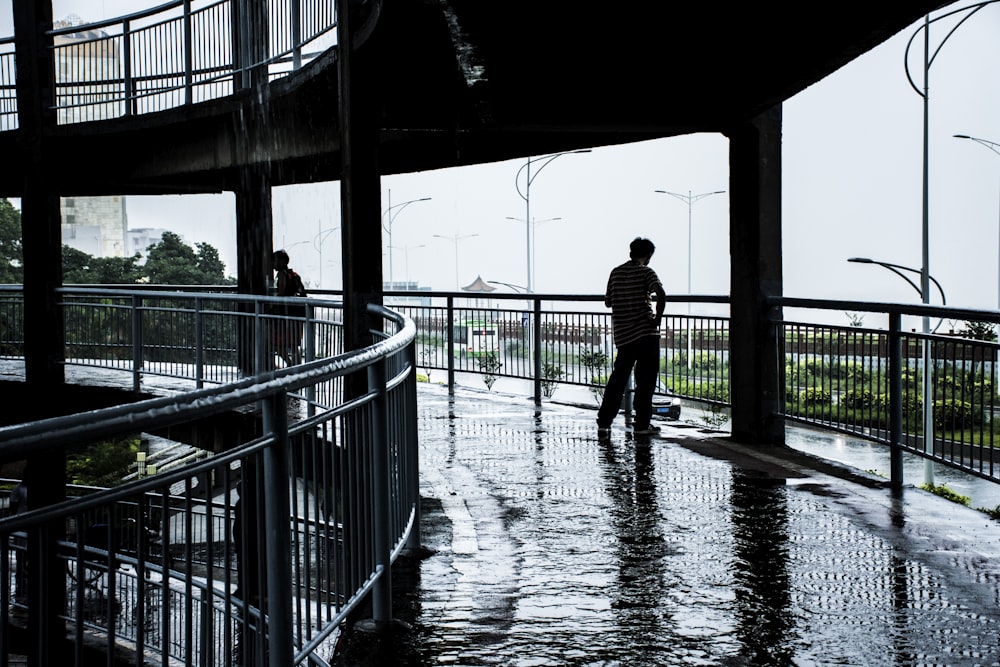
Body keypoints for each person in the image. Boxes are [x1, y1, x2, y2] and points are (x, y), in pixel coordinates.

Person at [596, 237, 666, 437]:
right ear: (648, 255)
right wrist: (657, 318)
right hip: (646, 334)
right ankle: (642, 425)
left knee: (618, 379)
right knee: (645, 381)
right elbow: (660, 293)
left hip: (624, 337)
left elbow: (608, 302)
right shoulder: (647, 272)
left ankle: (604, 422)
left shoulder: (616, 273)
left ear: (630, 252)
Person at [271, 249, 308, 365]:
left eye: (274, 261)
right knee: (293, 344)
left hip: (285, 315)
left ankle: (291, 365)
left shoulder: (282, 275)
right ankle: (297, 368)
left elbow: (281, 293)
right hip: (296, 314)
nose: (273, 264)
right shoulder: (294, 275)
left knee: (276, 343)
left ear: (282, 262)